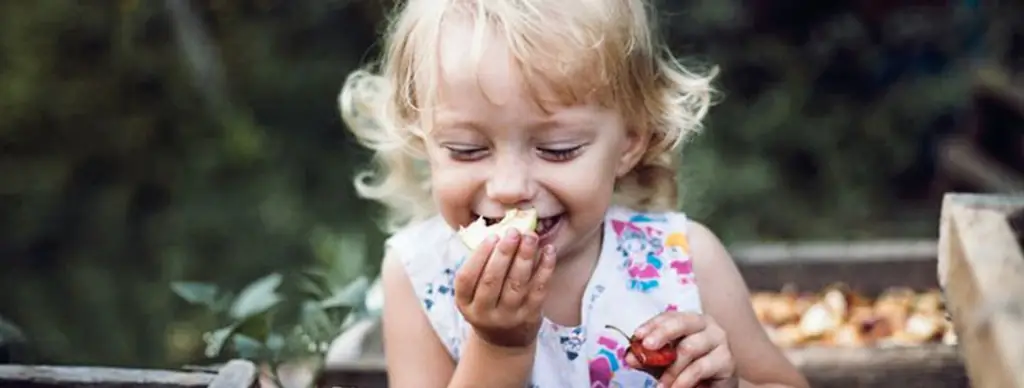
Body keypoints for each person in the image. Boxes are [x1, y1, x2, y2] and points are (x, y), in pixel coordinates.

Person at [338, 0, 810, 387]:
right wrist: (499, 347)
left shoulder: (684, 262)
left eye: (557, 149)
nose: (509, 188)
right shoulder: (420, 276)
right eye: (466, 150)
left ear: (630, 141)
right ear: (423, 140)